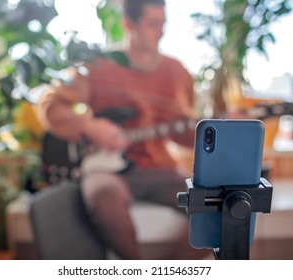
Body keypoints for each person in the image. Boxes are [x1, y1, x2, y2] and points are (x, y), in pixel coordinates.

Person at [37, 0, 202, 259]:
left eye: (163, 24)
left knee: (219, 205)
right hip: (107, 170)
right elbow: (51, 106)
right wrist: (89, 126)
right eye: (152, 24)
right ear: (128, 24)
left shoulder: (178, 73)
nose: (160, 31)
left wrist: (221, 127)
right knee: (102, 194)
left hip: (161, 169)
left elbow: (185, 134)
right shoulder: (98, 66)